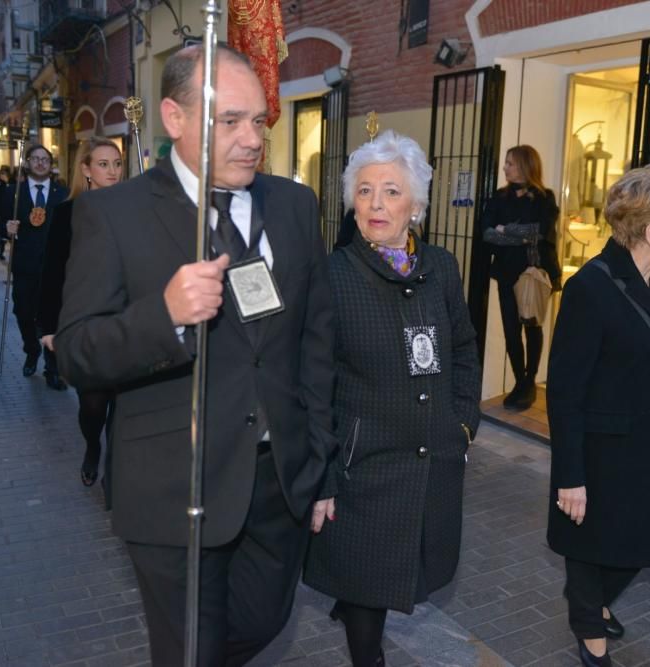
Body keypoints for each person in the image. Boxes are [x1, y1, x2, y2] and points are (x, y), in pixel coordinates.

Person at [54, 45, 336, 666]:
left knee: (262, 622)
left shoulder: (293, 206)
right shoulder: (114, 213)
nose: (251, 139)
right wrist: (164, 316)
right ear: (174, 118)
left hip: (275, 481)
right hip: (173, 486)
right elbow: (75, 353)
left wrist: (316, 456)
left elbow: (315, 341)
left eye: (259, 121)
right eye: (229, 121)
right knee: (190, 650)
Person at [303, 131, 481, 667]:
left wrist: (464, 423)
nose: (376, 204)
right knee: (363, 585)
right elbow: (313, 385)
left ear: (417, 205)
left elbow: (465, 349)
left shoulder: (442, 268)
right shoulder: (333, 277)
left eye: (390, 191)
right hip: (364, 467)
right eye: (363, 191)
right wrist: (324, 476)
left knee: (398, 571)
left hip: (432, 458)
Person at [547, 164, 650, 667]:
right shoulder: (591, 286)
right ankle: (590, 630)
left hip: (644, 445)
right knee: (590, 546)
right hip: (601, 448)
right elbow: (565, 390)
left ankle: (592, 605)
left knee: (639, 545)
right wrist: (570, 475)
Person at [38, 137, 123, 487]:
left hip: (126, 319)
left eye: (117, 163)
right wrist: (47, 327)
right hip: (86, 323)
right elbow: (52, 274)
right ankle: (93, 445)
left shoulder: (134, 209)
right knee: (93, 404)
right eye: (103, 164)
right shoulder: (66, 214)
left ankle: (116, 467)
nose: (113, 171)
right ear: (85, 169)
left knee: (125, 403)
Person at [481, 145, 561, 410]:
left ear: (526, 165)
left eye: (510, 163)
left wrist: (507, 230)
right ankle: (520, 382)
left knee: (532, 326)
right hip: (506, 272)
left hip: (534, 274)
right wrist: (516, 233)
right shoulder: (499, 197)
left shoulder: (544, 198)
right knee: (511, 332)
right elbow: (487, 233)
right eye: (505, 163)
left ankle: (529, 382)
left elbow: (541, 231)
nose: (505, 168)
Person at [4, 145, 69, 387]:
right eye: (36, 159)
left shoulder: (62, 193)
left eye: (45, 159)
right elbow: (0, 222)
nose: (41, 163)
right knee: (23, 312)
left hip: (54, 266)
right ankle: (31, 349)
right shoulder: (14, 193)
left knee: (53, 316)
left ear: (51, 164)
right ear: (28, 162)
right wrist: (6, 229)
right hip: (25, 265)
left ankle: (52, 368)